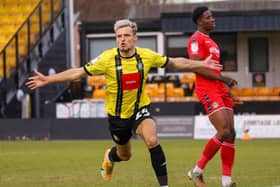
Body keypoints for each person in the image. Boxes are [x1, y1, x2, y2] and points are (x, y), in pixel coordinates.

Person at [26, 19, 227, 187]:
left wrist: (201, 63)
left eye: (126, 36)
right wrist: (48, 79)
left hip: (140, 109)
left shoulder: (146, 56)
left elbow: (175, 62)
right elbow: (78, 72)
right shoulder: (107, 59)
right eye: (119, 36)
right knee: (125, 155)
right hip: (117, 117)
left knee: (151, 140)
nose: (122, 40)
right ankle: (110, 157)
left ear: (134, 38)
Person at [186, 6, 243, 187]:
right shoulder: (196, 40)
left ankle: (226, 181)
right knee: (224, 131)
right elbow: (197, 67)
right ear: (199, 21)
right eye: (208, 17)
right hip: (207, 89)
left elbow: (215, 69)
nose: (212, 19)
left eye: (212, 16)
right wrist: (225, 79)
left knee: (231, 134)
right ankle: (197, 170)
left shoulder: (212, 42)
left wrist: (229, 93)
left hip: (220, 89)